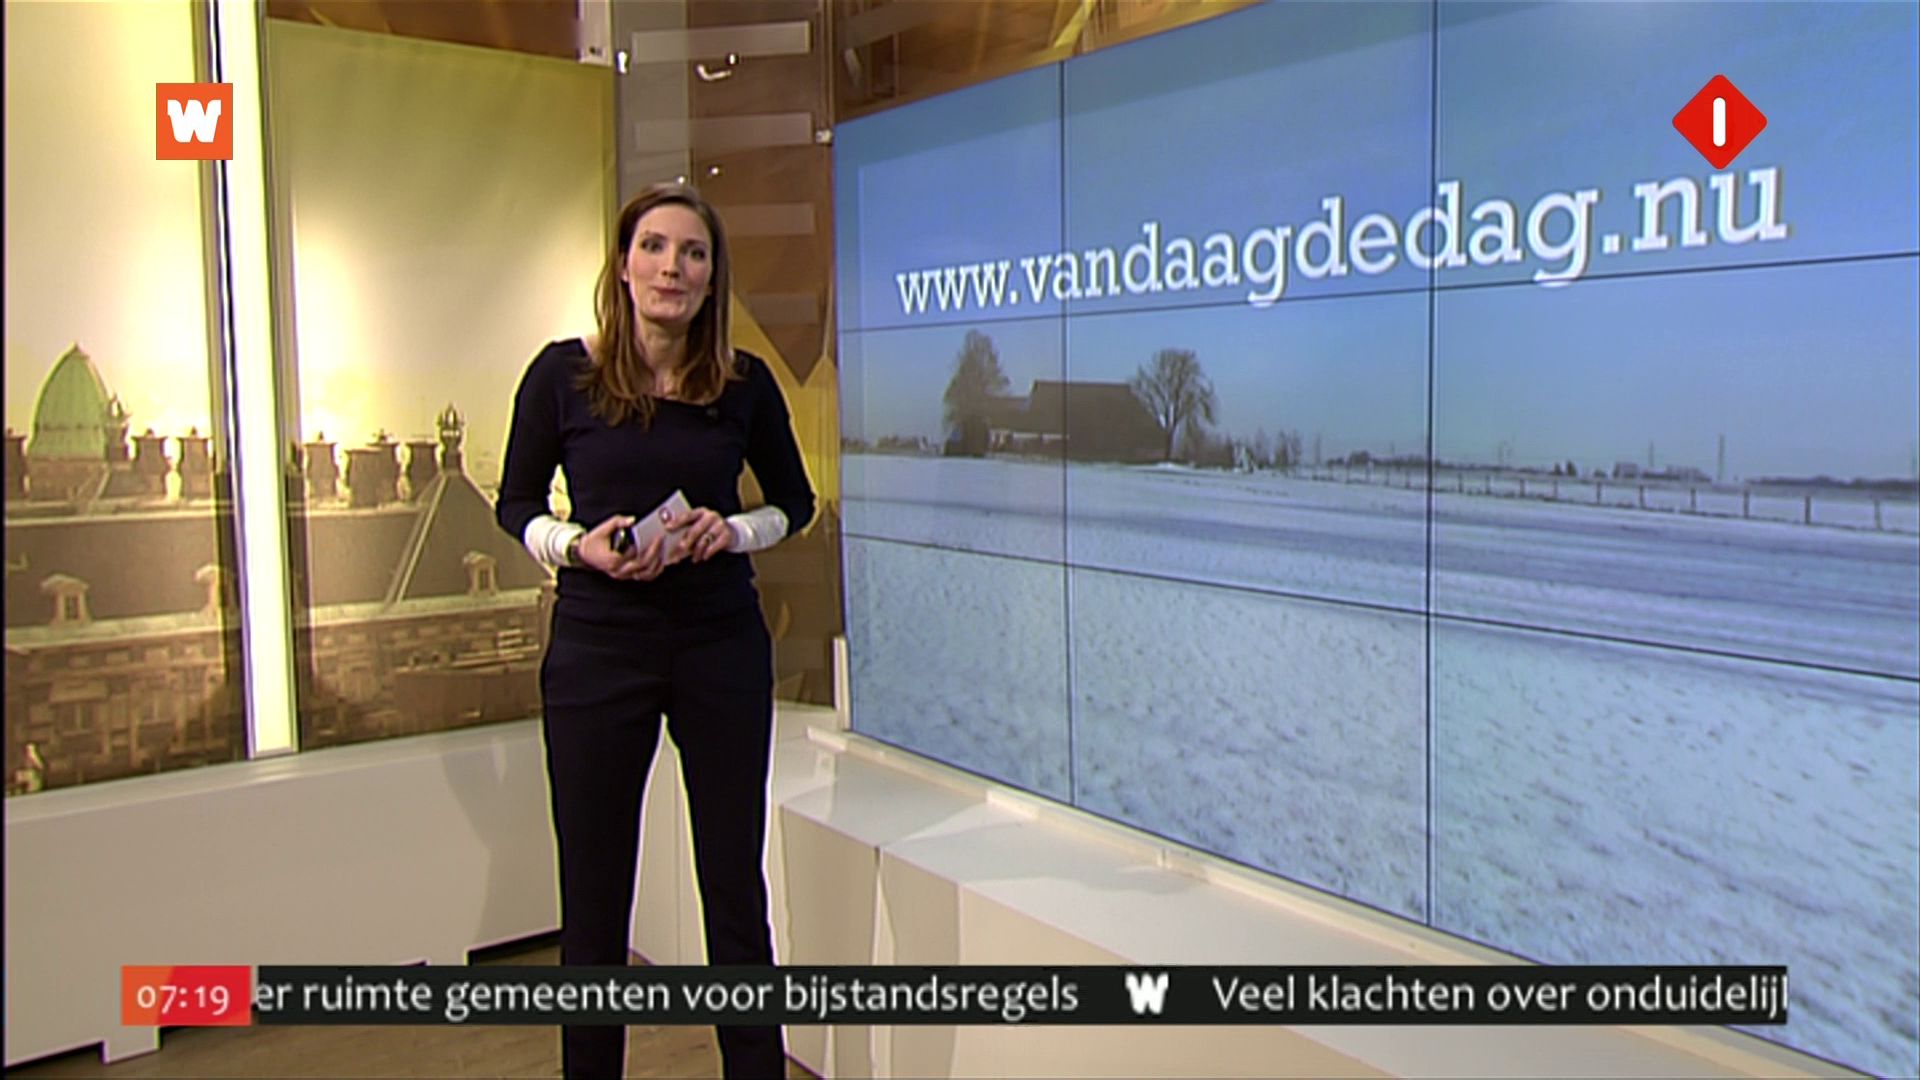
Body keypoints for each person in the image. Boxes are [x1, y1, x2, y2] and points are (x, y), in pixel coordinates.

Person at [494, 182, 814, 1079]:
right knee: (595, 905)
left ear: (712, 278)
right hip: (598, 652)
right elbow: (515, 504)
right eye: (655, 248)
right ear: (624, 267)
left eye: (693, 253)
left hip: (719, 647)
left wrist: (732, 531)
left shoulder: (743, 385)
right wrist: (576, 546)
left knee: (734, 892)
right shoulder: (561, 376)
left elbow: (794, 503)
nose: (673, 267)